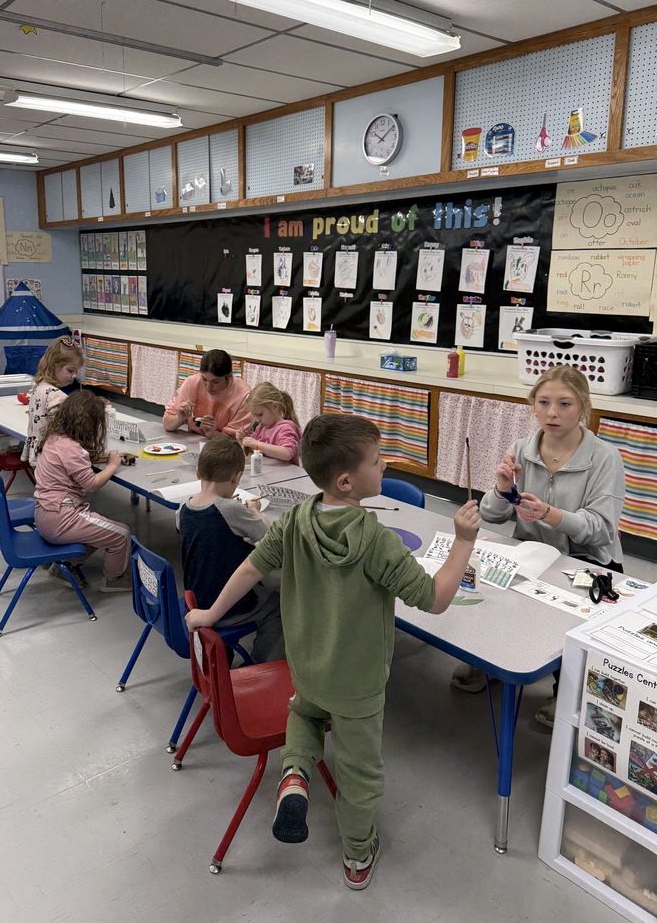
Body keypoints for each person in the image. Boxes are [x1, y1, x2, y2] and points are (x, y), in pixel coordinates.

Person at [186, 413, 480, 890]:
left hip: (307, 667)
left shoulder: (298, 518)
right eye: (377, 460)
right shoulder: (378, 541)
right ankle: (358, 855)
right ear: (347, 480)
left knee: (303, 716)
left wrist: (210, 614)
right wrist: (463, 543)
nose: (385, 465)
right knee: (359, 773)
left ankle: (296, 775)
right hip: (359, 683)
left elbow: (250, 568)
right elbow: (435, 599)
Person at [451, 366, 625, 729]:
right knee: (492, 596)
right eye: (544, 402)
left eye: (565, 403)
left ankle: (565, 691)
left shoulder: (605, 457)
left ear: (583, 408)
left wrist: (551, 514)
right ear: (532, 405)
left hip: (586, 562)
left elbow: (601, 530)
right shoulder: (521, 450)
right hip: (532, 553)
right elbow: (493, 516)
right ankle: (495, 663)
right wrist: (501, 489)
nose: (552, 413)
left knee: (568, 630)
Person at [179, 435, 284, 663]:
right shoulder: (230, 509)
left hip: (198, 599)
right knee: (279, 605)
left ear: (198, 472)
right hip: (229, 608)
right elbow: (268, 536)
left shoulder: (183, 508)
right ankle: (258, 666)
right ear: (236, 477)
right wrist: (255, 511)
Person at [33, 390, 131, 593]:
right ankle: (114, 579)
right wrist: (112, 465)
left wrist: (106, 458)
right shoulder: (72, 449)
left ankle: (64, 567)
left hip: (44, 515)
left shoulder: (55, 439)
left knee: (101, 529)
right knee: (121, 534)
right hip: (63, 518)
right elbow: (91, 484)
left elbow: (75, 462)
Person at [21, 337, 84, 468]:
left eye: (76, 372)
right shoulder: (56, 395)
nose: (74, 376)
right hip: (53, 457)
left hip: (38, 451)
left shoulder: (37, 387)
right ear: (54, 365)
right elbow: (65, 431)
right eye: (70, 370)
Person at [163, 348, 251, 438]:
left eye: (215, 382)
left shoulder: (243, 396)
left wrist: (214, 434)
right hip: (194, 443)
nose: (208, 387)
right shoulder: (192, 383)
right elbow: (167, 424)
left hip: (224, 447)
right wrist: (179, 418)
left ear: (229, 377)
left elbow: (237, 440)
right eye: (204, 379)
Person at [235, 381, 302, 464]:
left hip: (288, 475)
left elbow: (287, 453)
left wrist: (256, 444)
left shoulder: (286, 427)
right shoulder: (261, 428)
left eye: (260, 414)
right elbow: (249, 450)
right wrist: (243, 440)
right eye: (254, 415)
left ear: (275, 407)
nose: (257, 420)